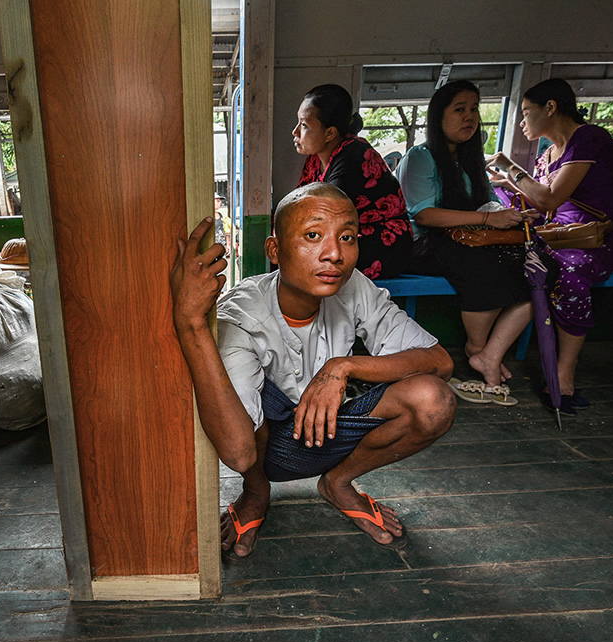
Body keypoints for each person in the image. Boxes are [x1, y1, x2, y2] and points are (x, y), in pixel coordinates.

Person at [170, 182, 455, 558]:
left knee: (434, 401)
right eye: (313, 235)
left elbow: (440, 362)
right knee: (248, 402)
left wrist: (343, 367)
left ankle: (338, 482)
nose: (334, 254)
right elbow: (238, 453)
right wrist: (190, 322)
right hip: (266, 449)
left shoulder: (353, 286)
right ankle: (255, 493)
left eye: (347, 237)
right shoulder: (242, 313)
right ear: (275, 249)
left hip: (331, 430)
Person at [488, 78, 613, 414]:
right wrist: (505, 187)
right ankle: (489, 354)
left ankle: (564, 372)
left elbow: (552, 197)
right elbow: (542, 208)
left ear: (550, 107)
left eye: (526, 112)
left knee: (568, 268)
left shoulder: (590, 139)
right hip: (557, 236)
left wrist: (509, 168)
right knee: (517, 262)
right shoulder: (545, 156)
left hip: (598, 239)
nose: (522, 122)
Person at [396, 80, 533, 401]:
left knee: (538, 268)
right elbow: (424, 215)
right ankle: (477, 346)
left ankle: (488, 353)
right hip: (426, 244)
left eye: (474, 109)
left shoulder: (473, 161)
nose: (469, 117)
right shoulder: (422, 156)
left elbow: (488, 203)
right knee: (482, 266)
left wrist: (507, 216)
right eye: (459, 109)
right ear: (438, 116)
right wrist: (487, 219)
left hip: (471, 241)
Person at [294, 84, 413, 279]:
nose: (295, 132)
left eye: (304, 125)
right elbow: (299, 205)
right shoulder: (315, 160)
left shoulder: (352, 156)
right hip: (344, 238)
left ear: (330, 133)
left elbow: (325, 215)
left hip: (382, 243)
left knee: (304, 258)